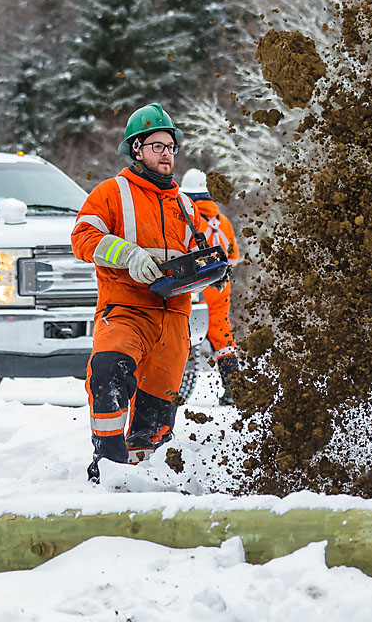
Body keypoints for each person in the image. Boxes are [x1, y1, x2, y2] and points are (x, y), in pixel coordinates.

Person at [72, 103, 226, 482]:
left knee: (155, 420)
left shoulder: (185, 205)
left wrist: (213, 273)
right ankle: (107, 464)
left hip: (174, 320)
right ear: (136, 149)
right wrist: (127, 254)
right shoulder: (112, 193)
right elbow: (82, 238)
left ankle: (144, 477)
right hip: (126, 309)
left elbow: (196, 254)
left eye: (170, 146)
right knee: (108, 372)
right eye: (157, 146)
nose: (166, 154)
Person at [180, 168, 243, 405]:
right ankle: (234, 388)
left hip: (195, 288)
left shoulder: (188, 219)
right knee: (222, 336)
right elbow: (234, 257)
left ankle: (174, 386)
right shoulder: (222, 221)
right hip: (221, 288)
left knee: (182, 335)